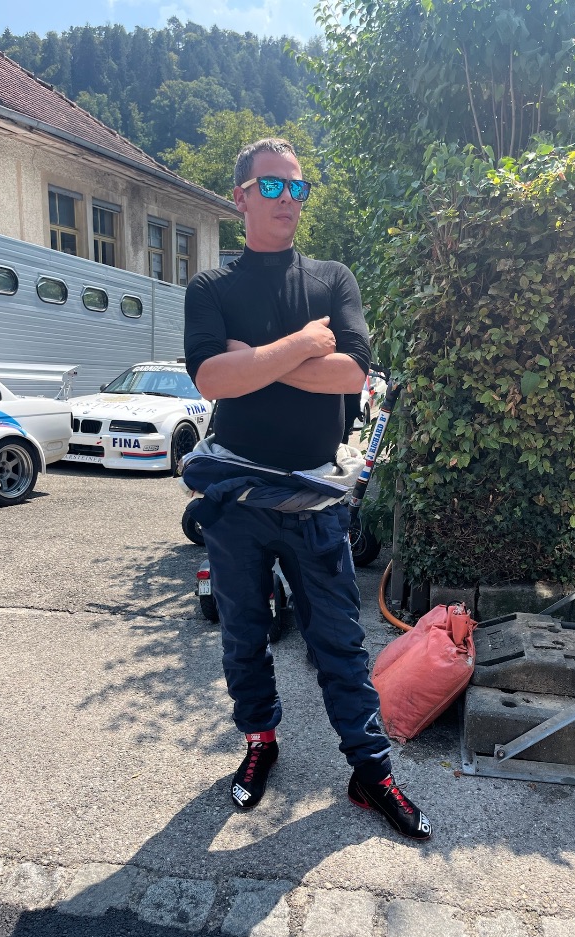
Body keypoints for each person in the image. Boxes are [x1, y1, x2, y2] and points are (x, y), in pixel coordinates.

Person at [183, 137, 431, 841]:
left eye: (297, 187)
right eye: (272, 186)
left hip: (318, 500)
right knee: (244, 635)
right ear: (240, 197)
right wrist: (300, 347)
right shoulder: (211, 288)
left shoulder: (331, 280)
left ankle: (371, 772)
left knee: (341, 645)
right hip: (236, 502)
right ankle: (260, 741)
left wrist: (255, 360)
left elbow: (354, 374)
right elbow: (212, 379)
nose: (287, 199)